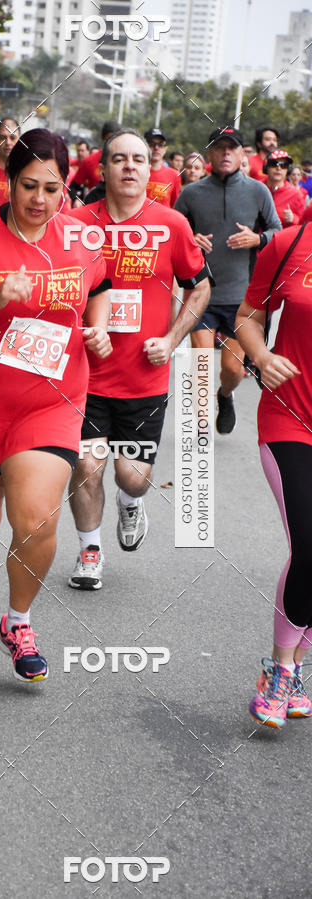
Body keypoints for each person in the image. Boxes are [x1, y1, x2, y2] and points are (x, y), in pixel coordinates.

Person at [0, 129, 112, 681]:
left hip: (51, 399)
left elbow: (98, 287)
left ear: (67, 190)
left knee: (33, 518)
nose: (39, 199)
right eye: (28, 185)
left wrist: (98, 329)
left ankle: (18, 620)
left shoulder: (81, 239)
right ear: (8, 182)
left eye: (52, 188)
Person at [66, 129, 210, 589]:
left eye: (138, 160)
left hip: (145, 379)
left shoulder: (171, 224)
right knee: (87, 465)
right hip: (84, 375)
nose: (129, 166)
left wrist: (171, 340)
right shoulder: (76, 223)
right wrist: (83, 331)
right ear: (102, 168)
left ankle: (131, 504)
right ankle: (90, 550)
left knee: (132, 479)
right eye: (119, 159)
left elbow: (200, 286)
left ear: (151, 170)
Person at [235, 224, 312, 729]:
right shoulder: (289, 243)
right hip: (290, 417)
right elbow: (247, 316)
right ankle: (279, 670)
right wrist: (261, 356)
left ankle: (298, 667)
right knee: (308, 544)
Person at [174, 126, 281, 434]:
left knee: (233, 369)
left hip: (240, 298)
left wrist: (257, 239)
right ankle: (201, 423)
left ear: (241, 153)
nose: (225, 154)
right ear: (209, 153)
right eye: (219, 148)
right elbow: (174, 231)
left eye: (231, 148)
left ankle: (225, 395)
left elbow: (277, 232)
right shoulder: (191, 193)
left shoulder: (257, 191)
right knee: (203, 363)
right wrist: (191, 239)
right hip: (202, 292)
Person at [69, 120, 119, 206]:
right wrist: (77, 200)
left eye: (115, 139)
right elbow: (72, 188)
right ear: (103, 138)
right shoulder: (89, 161)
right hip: (93, 211)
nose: (112, 142)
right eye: (109, 138)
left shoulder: (127, 163)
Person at [264, 149, 305, 228]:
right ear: (266, 167)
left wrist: (293, 219)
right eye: (274, 163)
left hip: (282, 238)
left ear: (287, 170)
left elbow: (304, 225)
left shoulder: (296, 194)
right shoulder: (256, 187)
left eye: (284, 165)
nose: (278, 168)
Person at [144, 128, 180, 207]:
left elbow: (175, 207)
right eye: (151, 144)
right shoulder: (135, 171)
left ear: (165, 148)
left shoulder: (174, 175)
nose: (156, 148)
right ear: (144, 146)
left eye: (160, 144)